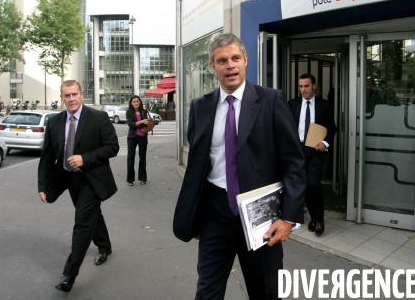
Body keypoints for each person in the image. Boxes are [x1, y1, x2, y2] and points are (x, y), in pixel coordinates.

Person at [173, 33, 306, 299]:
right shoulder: (200, 107)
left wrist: (289, 217)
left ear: (245, 60)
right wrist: (196, 216)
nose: (230, 65)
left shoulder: (271, 101)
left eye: (235, 58)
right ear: (213, 66)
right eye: (222, 60)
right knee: (207, 292)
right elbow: (197, 168)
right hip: (215, 215)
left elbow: (293, 161)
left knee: (266, 292)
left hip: (261, 218)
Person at [37, 80, 119, 293]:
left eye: (74, 94)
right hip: (68, 179)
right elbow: (47, 157)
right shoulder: (54, 122)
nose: (71, 99)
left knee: (82, 223)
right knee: (91, 215)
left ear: (82, 94)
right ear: (62, 97)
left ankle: (69, 274)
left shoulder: (98, 117)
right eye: (67, 95)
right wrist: (42, 185)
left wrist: (85, 158)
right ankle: (105, 246)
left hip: (92, 179)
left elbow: (112, 147)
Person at [288, 73, 337, 237]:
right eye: (301, 86)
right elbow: (286, 127)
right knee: (303, 185)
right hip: (298, 150)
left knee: (313, 183)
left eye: (307, 86)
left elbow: (332, 128)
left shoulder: (324, 105)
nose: (303, 90)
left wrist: (325, 143)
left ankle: (319, 220)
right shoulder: (292, 104)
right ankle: (313, 218)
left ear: (314, 86)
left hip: (315, 150)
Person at [126, 95, 152, 186]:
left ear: (140, 102)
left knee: (142, 158)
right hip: (132, 137)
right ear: (131, 103)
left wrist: (139, 123)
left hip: (142, 137)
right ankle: (130, 179)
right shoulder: (129, 113)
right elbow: (131, 125)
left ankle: (143, 178)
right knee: (130, 158)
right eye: (134, 101)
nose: (136, 103)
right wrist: (141, 122)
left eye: (137, 101)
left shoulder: (144, 112)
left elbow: (145, 125)